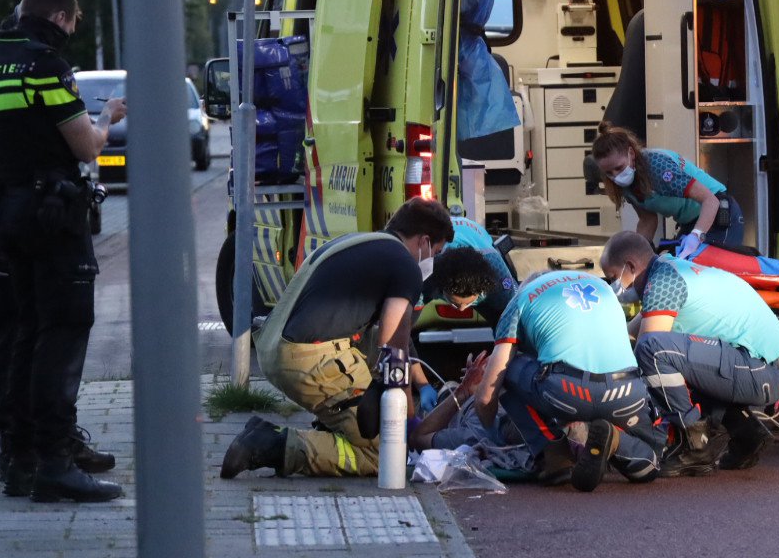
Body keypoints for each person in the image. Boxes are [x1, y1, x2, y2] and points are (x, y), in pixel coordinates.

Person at [0, 0, 125, 502]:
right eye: (73, 24)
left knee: (19, 330)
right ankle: (56, 462)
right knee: (64, 328)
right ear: (60, 18)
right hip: (52, 214)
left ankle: (19, 457)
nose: (71, 32)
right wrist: (105, 118)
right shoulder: (46, 65)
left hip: (1, 209)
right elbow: (85, 146)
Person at [219, 197, 453, 479]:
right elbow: (394, 352)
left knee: (367, 352)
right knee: (387, 453)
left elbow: (381, 336)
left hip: (273, 346)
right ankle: (273, 445)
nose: (432, 261)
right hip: (305, 358)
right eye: (436, 252)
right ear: (424, 241)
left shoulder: (363, 243)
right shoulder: (406, 267)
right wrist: (407, 420)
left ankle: (335, 425)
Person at [601, 230, 779, 473]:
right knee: (674, 361)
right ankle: (747, 433)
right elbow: (626, 337)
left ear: (630, 266)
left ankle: (695, 446)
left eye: (613, 277)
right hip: (769, 367)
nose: (615, 286)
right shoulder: (670, 269)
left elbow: (643, 349)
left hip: (762, 370)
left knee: (653, 351)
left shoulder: (663, 282)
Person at [465, 267, 666, 491]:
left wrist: (492, 431)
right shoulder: (604, 289)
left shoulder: (519, 300)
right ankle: (625, 448)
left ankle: (553, 452)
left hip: (568, 391)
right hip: (628, 391)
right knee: (646, 453)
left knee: (503, 367)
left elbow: (485, 398)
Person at [591, 122, 742, 257]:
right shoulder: (626, 185)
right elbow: (647, 219)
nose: (616, 176)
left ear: (631, 153)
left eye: (619, 168)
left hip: (718, 214)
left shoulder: (658, 167)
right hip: (690, 223)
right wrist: (637, 253)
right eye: (609, 173)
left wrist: (696, 235)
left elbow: (710, 200)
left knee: (703, 269)